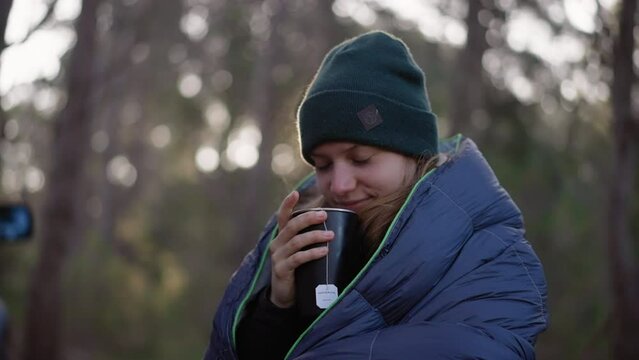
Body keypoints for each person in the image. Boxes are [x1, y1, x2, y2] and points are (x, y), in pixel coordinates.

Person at [204, 31, 548, 360]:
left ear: (413, 154)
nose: (338, 185)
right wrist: (277, 304)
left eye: (360, 159)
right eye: (322, 165)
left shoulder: (490, 255)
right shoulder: (311, 235)